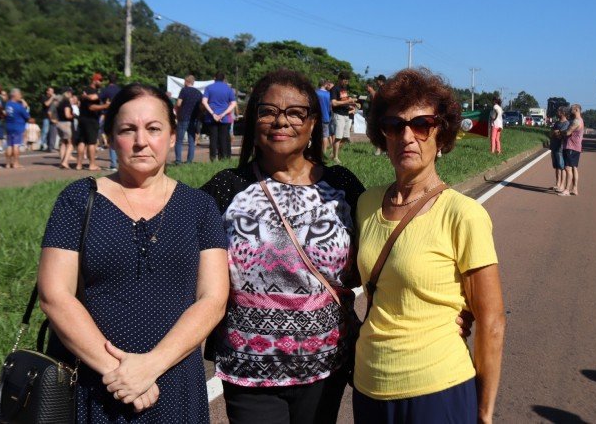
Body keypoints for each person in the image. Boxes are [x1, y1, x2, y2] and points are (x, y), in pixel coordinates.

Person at [38, 83, 229, 423]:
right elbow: (54, 295)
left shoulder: (200, 207)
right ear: (111, 138)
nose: (141, 141)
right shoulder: (78, 199)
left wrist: (150, 366)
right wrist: (120, 373)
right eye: (128, 130)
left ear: (172, 136)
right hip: (97, 383)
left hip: (175, 381)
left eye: (154, 129)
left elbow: (213, 298)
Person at [200, 69, 366, 424]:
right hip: (248, 366)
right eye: (268, 111)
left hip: (326, 363)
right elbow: (179, 254)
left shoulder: (342, 186)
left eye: (295, 112)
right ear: (253, 120)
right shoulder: (227, 188)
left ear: (312, 124)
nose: (281, 121)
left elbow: (381, 258)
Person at [354, 68, 505, 424]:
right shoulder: (366, 203)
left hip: (437, 387)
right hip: (368, 383)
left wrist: (484, 412)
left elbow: (492, 321)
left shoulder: (463, 214)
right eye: (394, 125)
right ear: (382, 135)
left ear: (442, 135)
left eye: (422, 124)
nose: (407, 136)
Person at [202, 72, 237, 161]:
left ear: (214, 78)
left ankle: (213, 158)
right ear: (224, 78)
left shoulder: (209, 88)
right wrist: (223, 114)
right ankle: (223, 158)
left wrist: (213, 113)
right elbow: (233, 103)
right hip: (225, 118)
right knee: (223, 138)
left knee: (213, 138)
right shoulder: (228, 89)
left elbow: (204, 101)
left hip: (211, 117)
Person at [174, 75, 203, 165]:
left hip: (183, 117)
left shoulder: (184, 90)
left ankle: (178, 160)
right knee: (191, 141)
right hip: (193, 119)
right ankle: (189, 161)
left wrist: (177, 112)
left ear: (186, 81)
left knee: (179, 140)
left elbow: (178, 103)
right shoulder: (198, 93)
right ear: (193, 82)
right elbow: (201, 106)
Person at [76, 77, 103, 171]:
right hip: (91, 119)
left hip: (82, 118)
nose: (101, 82)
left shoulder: (85, 90)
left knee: (82, 142)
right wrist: (106, 106)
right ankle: (92, 165)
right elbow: (92, 107)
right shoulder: (93, 91)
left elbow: (79, 102)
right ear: (94, 80)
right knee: (92, 142)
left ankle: (79, 165)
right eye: (100, 80)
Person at [330, 71, 356, 164]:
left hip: (346, 114)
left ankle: (333, 153)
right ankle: (335, 157)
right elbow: (334, 103)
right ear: (340, 79)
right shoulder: (334, 89)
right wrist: (347, 102)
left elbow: (345, 100)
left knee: (345, 137)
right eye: (345, 80)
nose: (347, 82)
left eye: (348, 80)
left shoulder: (344, 89)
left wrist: (352, 104)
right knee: (338, 137)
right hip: (338, 115)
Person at [559, 103, 584, 197]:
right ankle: (575, 188)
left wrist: (560, 132)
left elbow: (568, 132)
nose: (570, 111)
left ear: (577, 110)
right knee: (574, 168)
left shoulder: (576, 121)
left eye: (572, 109)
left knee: (567, 168)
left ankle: (567, 189)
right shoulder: (581, 120)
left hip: (571, 146)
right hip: (577, 147)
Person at [100, 73, 122, 170]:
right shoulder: (120, 90)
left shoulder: (105, 90)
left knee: (111, 139)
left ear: (108, 80)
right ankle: (122, 163)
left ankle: (113, 164)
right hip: (120, 116)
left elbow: (99, 99)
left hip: (108, 115)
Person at [4, 88, 30, 169]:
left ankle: (8, 163)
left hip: (9, 126)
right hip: (17, 126)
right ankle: (16, 163)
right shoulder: (19, 106)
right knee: (16, 145)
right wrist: (25, 107)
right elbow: (27, 116)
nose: (20, 96)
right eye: (19, 95)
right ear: (15, 95)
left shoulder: (7, 104)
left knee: (9, 145)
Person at [550, 106, 570, 192]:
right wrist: (555, 132)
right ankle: (557, 183)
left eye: (559, 111)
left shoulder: (566, 123)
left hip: (560, 148)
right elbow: (552, 133)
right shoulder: (556, 123)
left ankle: (562, 185)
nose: (557, 113)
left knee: (562, 167)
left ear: (563, 113)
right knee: (557, 167)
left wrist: (556, 132)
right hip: (553, 146)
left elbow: (561, 135)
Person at [56, 88, 75, 169]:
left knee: (63, 143)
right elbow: (67, 115)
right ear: (67, 93)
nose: (72, 95)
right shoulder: (66, 102)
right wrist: (74, 115)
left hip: (59, 123)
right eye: (71, 93)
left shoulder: (59, 102)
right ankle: (65, 162)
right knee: (70, 143)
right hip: (66, 124)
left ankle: (62, 161)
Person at [316, 78, 333, 152]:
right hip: (326, 117)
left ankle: (315, 149)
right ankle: (324, 151)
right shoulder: (329, 94)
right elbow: (330, 107)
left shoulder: (316, 93)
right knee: (325, 135)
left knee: (315, 134)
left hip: (316, 117)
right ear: (325, 84)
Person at [41, 87, 60, 152]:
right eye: (50, 91)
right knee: (45, 131)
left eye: (53, 91)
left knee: (51, 133)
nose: (52, 92)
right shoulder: (44, 97)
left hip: (53, 117)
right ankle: (43, 145)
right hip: (46, 117)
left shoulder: (55, 99)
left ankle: (50, 146)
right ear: (47, 91)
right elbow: (46, 104)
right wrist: (52, 98)